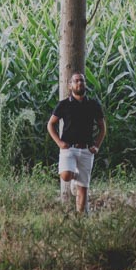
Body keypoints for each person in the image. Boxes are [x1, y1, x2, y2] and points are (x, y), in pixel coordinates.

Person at [46, 72, 106, 214]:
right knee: (66, 175)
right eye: (76, 81)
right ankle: (73, 179)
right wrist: (59, 143)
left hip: (87, 150)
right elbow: (50, 125)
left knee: (83, 187)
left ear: (85, 84)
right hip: (69, 149)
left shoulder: (93, 104)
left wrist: (97, 145)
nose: (79, 83)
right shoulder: (64, 104)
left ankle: (79, 221)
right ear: (70, 85)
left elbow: (102, 127)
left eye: (82, 81)